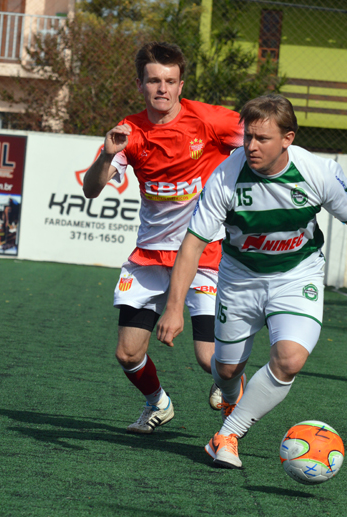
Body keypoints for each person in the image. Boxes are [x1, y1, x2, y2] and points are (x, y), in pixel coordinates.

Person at [157, 95, 347, 469]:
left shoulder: (319, 171)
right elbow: (193, 244)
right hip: (239, 280)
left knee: (289, 359)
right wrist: (174, 309)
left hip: (297, 276)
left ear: (288, 138)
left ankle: (228, 434)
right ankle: (230, 394)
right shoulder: (226, 175)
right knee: (225, 371)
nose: (251, 146)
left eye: (262, 139)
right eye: (248, 136)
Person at [82, 42, 243, 433]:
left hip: (204, 255)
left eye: (170, 81)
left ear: (181, 84)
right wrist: (106, 156)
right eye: (154, 80)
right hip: (151, 259)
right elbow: (91, 189)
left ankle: (231, 422)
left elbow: (260, 138)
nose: (162, 89)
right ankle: (159, 403)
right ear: (140, 84)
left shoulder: (210, 120)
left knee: (211, 361)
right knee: (127, 352)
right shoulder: (129, 131)